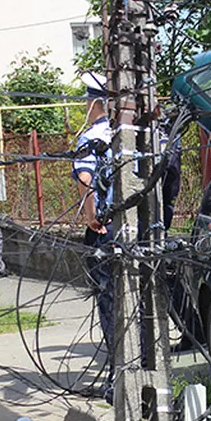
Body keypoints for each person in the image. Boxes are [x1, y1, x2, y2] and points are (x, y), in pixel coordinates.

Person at [73, 72, 114, 395]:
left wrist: (91, 216)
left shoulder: (92, 136)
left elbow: (86, 178)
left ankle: (118, 374)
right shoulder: (136, 132)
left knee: (110, 301)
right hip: (139, 229)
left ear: (95, 102)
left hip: (105, 230)